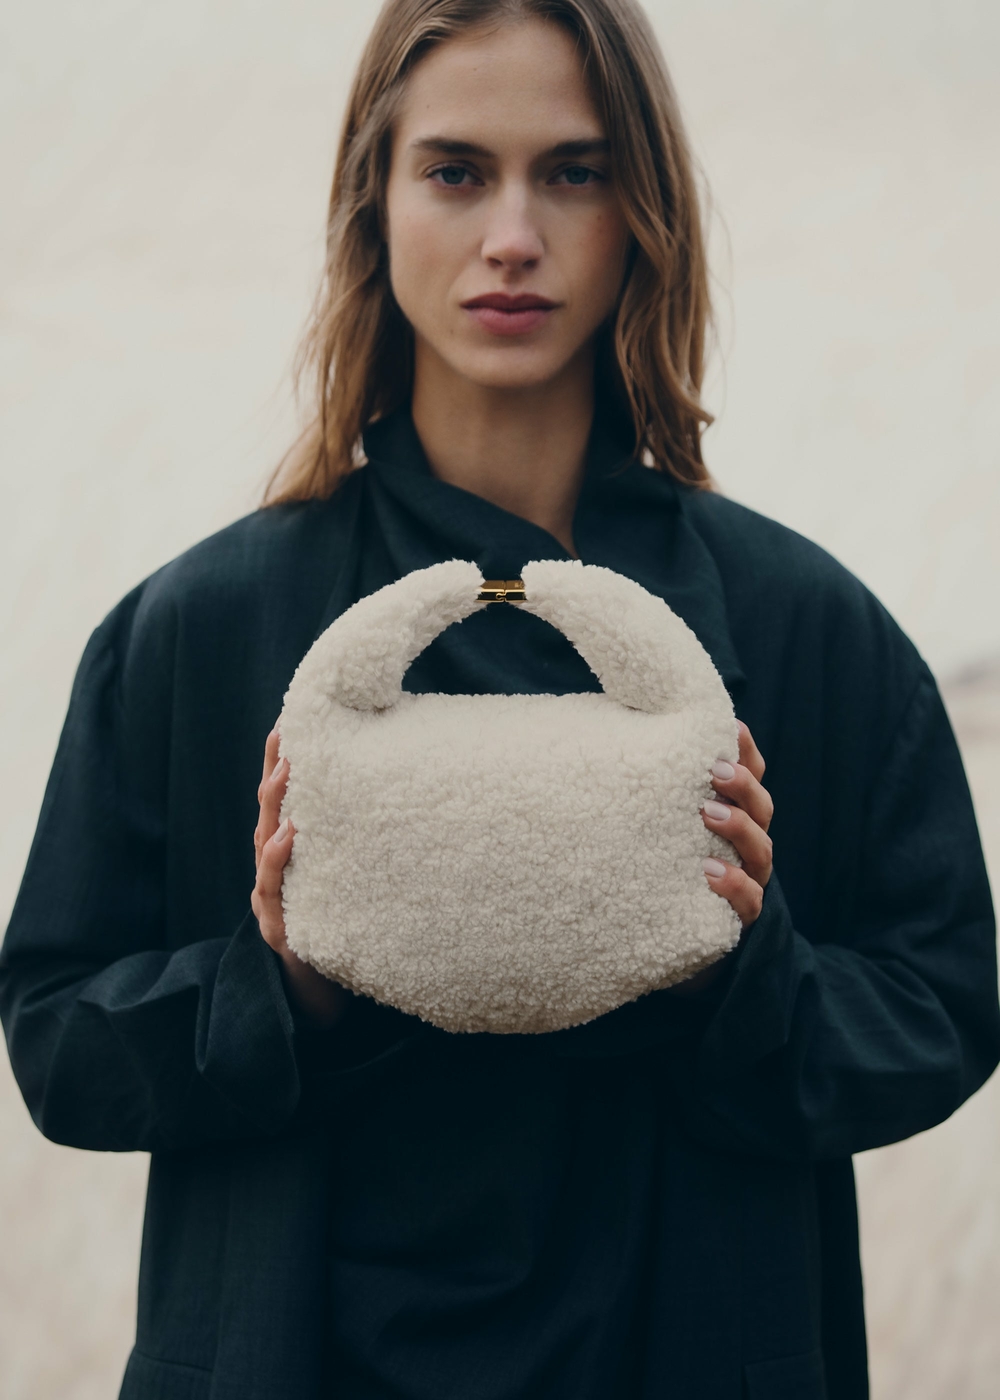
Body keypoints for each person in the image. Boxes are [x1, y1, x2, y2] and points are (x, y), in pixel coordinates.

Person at [1, 0, 997, 1397]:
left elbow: (942, 1008)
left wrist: (742, 965)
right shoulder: (198, 633)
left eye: (574, 172)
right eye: (457, 171)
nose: (514, 236)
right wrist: (279, 981)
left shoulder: (809, 630)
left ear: (644, 210)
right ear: (375, 201)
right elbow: (57, 1037)